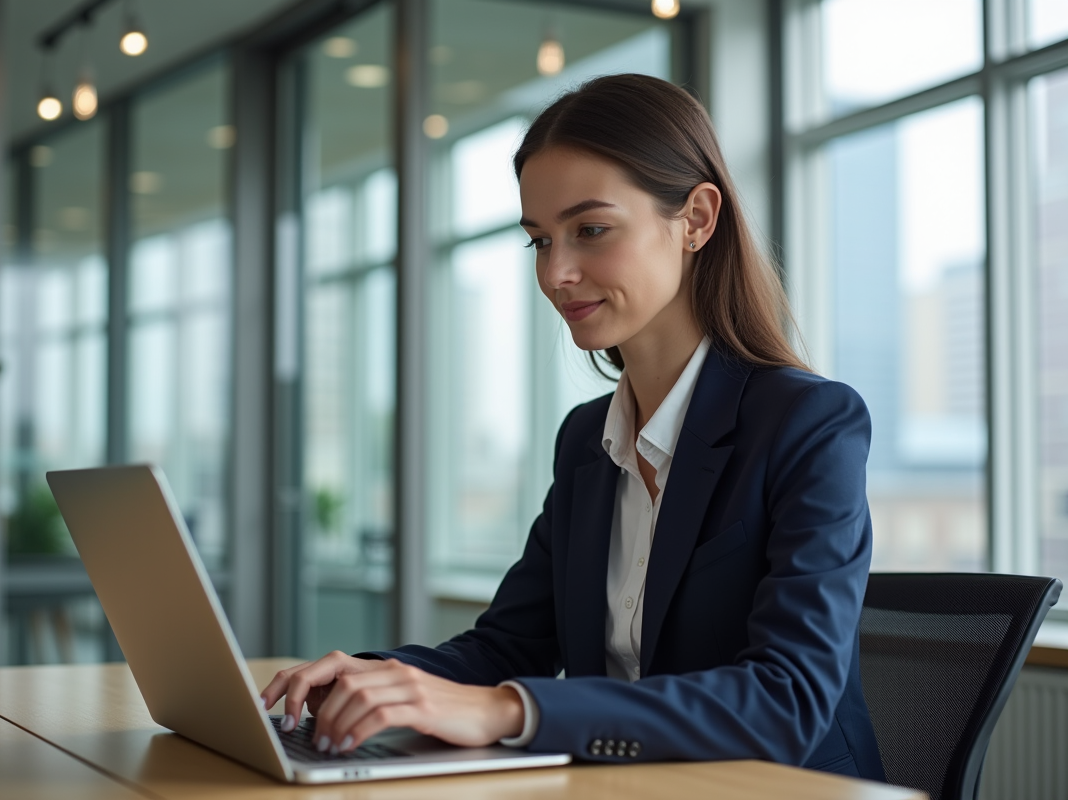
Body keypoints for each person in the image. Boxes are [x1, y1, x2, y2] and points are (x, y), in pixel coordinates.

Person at [260, 73, 886, 780]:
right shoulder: (587, 441)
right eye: (539, 241)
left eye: (591, 230)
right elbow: (508, 647)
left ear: (697, 220)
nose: (557, 272)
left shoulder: (808, 424)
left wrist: (508, 710)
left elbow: (787, 700)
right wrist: (371, 677)